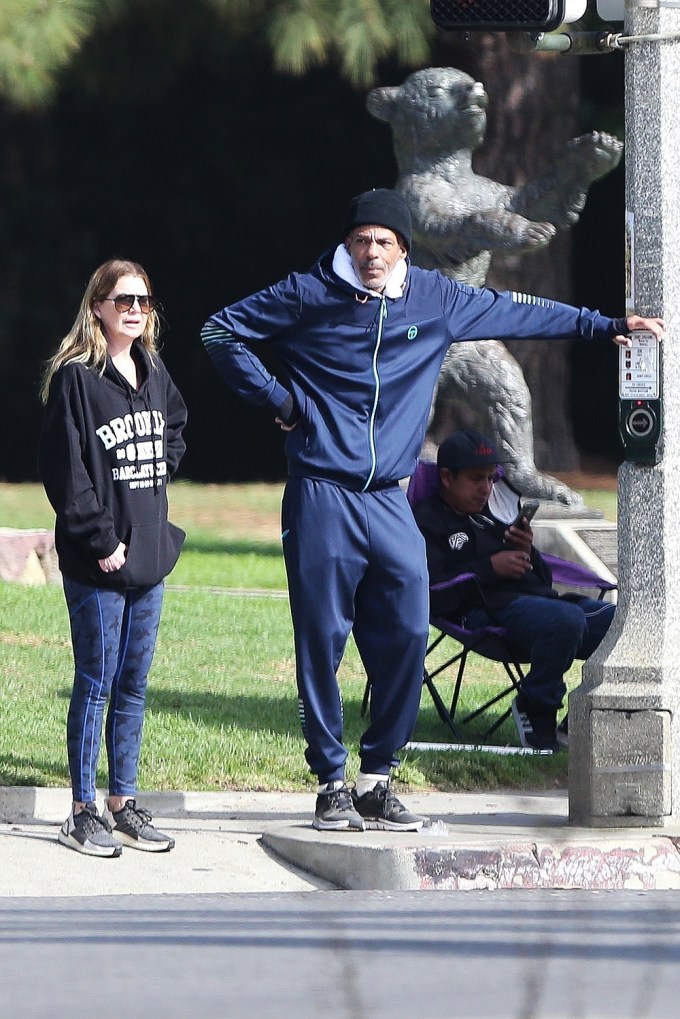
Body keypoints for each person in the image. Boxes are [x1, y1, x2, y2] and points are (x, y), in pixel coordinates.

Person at [200, 188, 662, 829]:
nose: (370, 252)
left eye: (383, 242)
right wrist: (280, 400)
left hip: (391, 500)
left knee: (410, 634)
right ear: (346, 244)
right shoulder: (309, 292)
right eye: (360, 240)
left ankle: (376, 777)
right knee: (322, 639)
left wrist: (606, 325)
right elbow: (219, 330)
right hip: (322, 493)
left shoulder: (435, 298)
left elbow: (517, 311)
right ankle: (331, 781)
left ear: (403, 250)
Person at [39, 259, 187, 857]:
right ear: (97, 305)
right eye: (122, 299)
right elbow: (64, 471)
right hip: (97, 561)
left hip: (149, 557)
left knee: (133, 685)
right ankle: (81, 811)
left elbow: (175, 428)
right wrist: (101, 539)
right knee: (96, 683)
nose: (134, 309)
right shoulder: (77, 379)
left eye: (143, 301)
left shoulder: (153, 372)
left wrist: (153, 497)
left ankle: (122, 804)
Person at [413, 430, 617, 752]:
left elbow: (543, 581)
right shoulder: (427, 521)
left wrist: (530, 553)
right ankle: (535, 708)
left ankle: (583, 718)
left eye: (491, 479)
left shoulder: (498, 515)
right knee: (565, 621)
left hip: (540, 606)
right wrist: (489, 569)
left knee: (627, 624)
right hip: (486, 613)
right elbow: (430, 591)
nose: (486, 488)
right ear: (447, 477)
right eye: (476, 479)